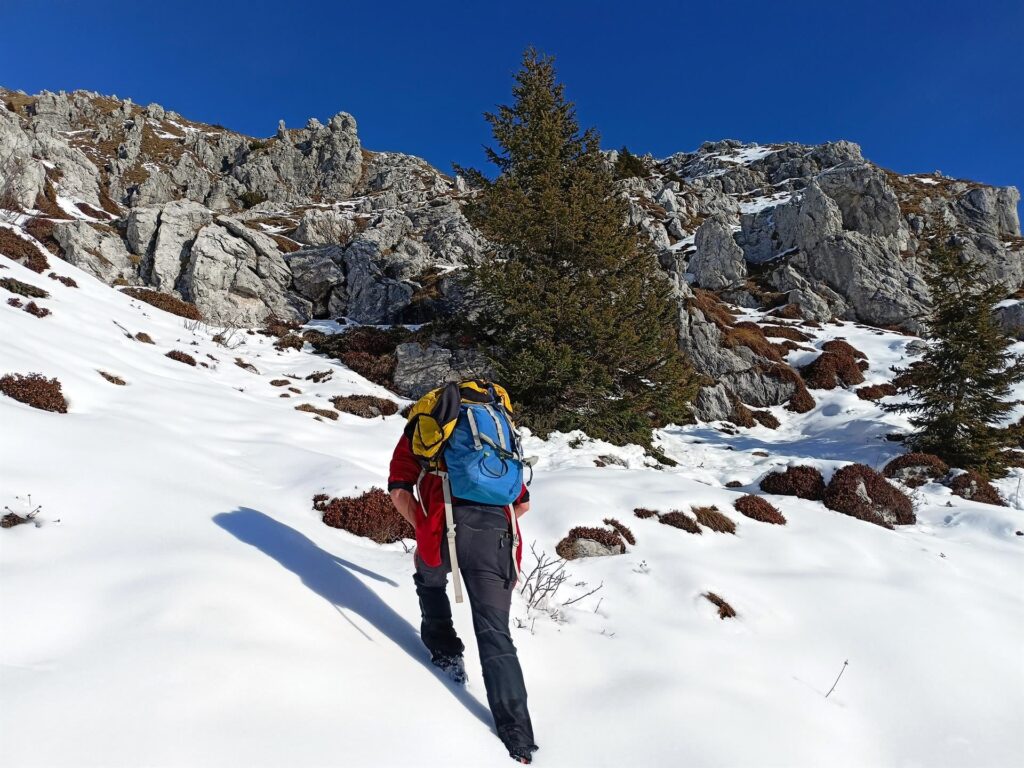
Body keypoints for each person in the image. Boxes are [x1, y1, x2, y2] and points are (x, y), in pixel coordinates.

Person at [389, 430, 538, 765]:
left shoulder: (424, 425)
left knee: (429, 580)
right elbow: (522, 502)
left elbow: (399, 490)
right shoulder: (496, 434)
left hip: (442, 527)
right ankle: (519, 739)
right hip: (497, 536)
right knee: (496, 635)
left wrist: (424, 526)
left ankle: (445, 652)